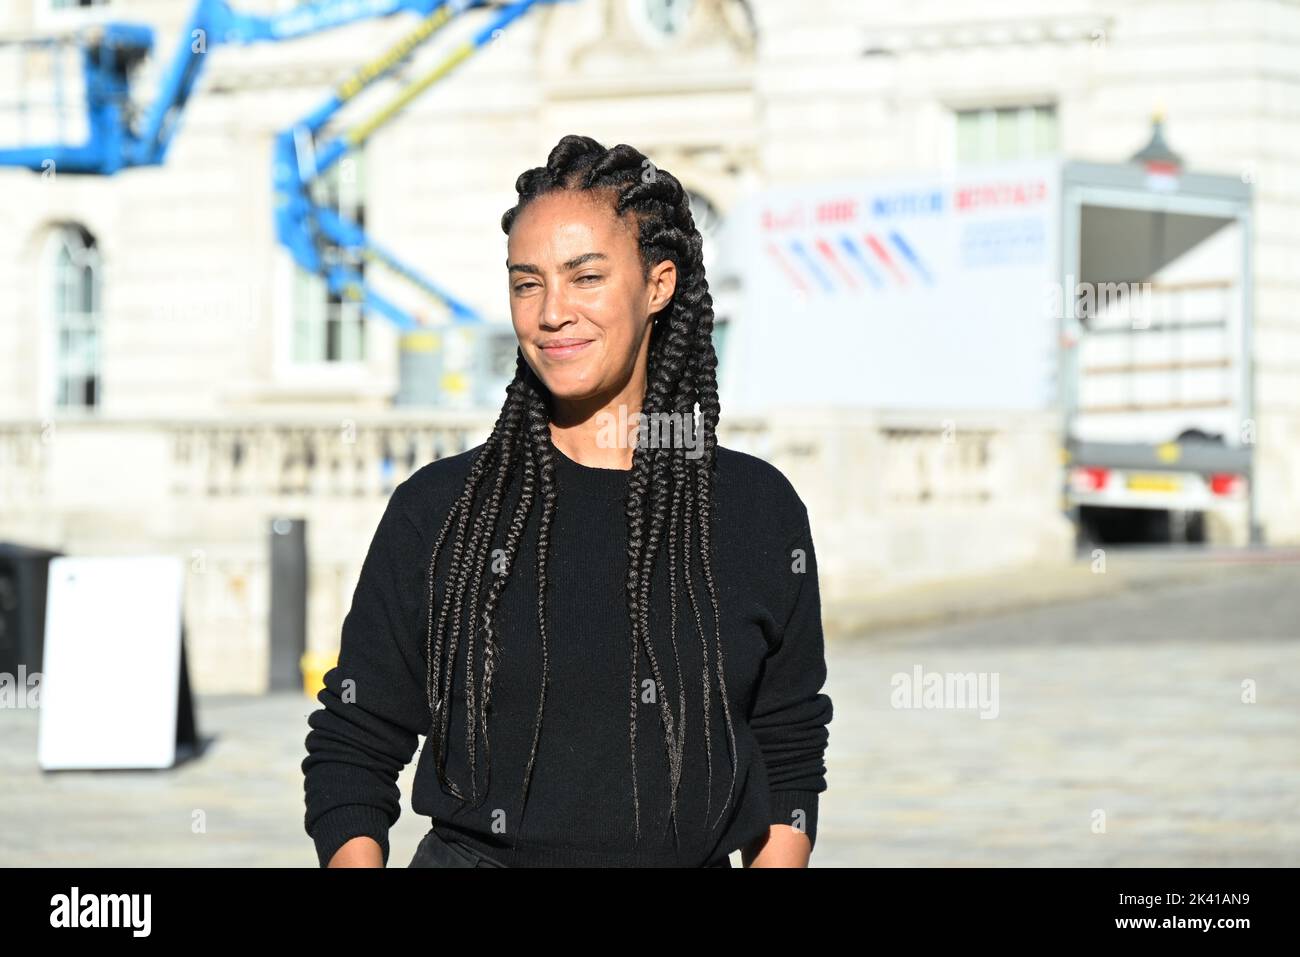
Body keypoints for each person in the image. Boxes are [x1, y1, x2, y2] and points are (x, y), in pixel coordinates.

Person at [302, 134, 833, 868]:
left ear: (658, 284)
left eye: (585, 277)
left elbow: (789, 743)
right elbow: (354, 740)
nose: (551, 312)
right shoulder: (441, 510)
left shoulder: (757, 511)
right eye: (527, 283)